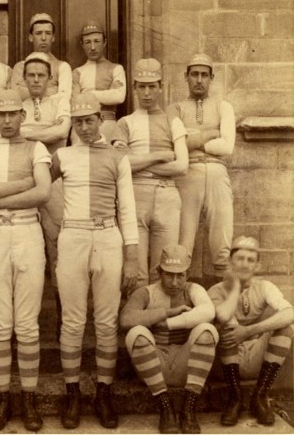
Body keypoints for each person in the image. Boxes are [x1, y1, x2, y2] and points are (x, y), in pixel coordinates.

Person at [51, 92, 138, 430]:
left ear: (101, 119)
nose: (84, 127)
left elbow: (127, 209)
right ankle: (72, 393)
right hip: (72, 237)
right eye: (78, 121)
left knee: (105, 322)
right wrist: (54, 228)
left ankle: (104, 392)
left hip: (107, 237)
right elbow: (42, 191)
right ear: (72, 123)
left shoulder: (118, 158)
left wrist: (132, 256)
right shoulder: (62, 155)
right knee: (72, 322)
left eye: (89, 120)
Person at [0, 89, 51, 431]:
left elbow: (43, 192)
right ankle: (2, 397)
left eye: (12, 114)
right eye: (0, 115)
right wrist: (23, 184)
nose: (6, 120)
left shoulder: (38, 147)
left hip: (27, 232)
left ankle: (29, 398)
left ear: (22, 115)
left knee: (28, 324)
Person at [120, 244, 218, 434]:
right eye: (168, 274)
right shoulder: (146, 293)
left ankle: (189, 408)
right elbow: (126, 319)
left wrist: (170, 324)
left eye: (180, 275)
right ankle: (165, 407)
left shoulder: (193, 290)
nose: (174, 282)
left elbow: (208, 311)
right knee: (136, 333)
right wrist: (167, 313)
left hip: (186, 366)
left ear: (187, 274)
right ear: (159, 272)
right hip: (154, 368)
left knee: (207, 330)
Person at [111, 58, 188, 286]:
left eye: (152, 86)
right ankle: (137, 320)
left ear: (160, 87)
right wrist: (158, 156)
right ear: (134, 87)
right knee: (137, 272)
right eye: (142, 86)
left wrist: (137, 162)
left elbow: (181, 166)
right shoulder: (125, 123)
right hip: (135, 195)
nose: (146, 92)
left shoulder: (172, 121)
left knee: (164, 267)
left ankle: (158, 319)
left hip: (167, 196)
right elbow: (119, 165)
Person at [208, 236, 294, 427]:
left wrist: (248, 331)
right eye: (239, 258)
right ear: (230, 262)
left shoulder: (264, 287)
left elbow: (290, 313)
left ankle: (260, 396)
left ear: (257, 266)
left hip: (256, 357)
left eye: (250, 260)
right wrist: (235, 286)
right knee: (224, 326)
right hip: (226, 364)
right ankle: (235, 398)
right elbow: (222, 316)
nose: (245, 264)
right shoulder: (216, 291)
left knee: (286, 327)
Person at [166, 53, 235, 284]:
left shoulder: (223, 106)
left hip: (217, 172)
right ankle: (182, 297)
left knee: (222, 233)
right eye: (194, 74)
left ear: (211, 78)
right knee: (184, 237)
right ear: (186, 77)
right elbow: (174, 144)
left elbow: (227, 146)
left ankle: (221, 294)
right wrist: (210, 134)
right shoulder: (175, 108)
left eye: (204, 75)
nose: (199, 79)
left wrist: (192, 139)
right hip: (188, 174)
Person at [20, 51, 70, 334]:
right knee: (27, 251)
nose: (36, 80)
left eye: (41, 75)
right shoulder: (20, 104)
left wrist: (24, 133)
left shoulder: (59, 101)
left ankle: (63, 322)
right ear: (24, 79)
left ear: (50, 78)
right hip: (25, 180)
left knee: (58, 248)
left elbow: (61, 132)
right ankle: (28, 324)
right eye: (31, 75)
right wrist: (42, 131)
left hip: (54, 180)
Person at [71, 20, 126, 143]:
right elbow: (74, 101)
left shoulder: (116, 68)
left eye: (97, 41)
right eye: (87, 42)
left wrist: (86, 95)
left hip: (107, 123)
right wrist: (108, 92)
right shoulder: (77, 72)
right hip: (82, 124)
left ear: (105, 42)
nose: (92, 47)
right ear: (82, 44)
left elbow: (119, 97)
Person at [10, 13, 71, 102]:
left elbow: (64, 98)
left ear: (53, 37)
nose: (43, 38)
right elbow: (16, 96)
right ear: (31, 37)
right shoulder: (20, 67)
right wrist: (53, 90)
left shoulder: (63, 67)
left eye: (48, 33)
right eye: (38, 33)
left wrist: (29, 92)